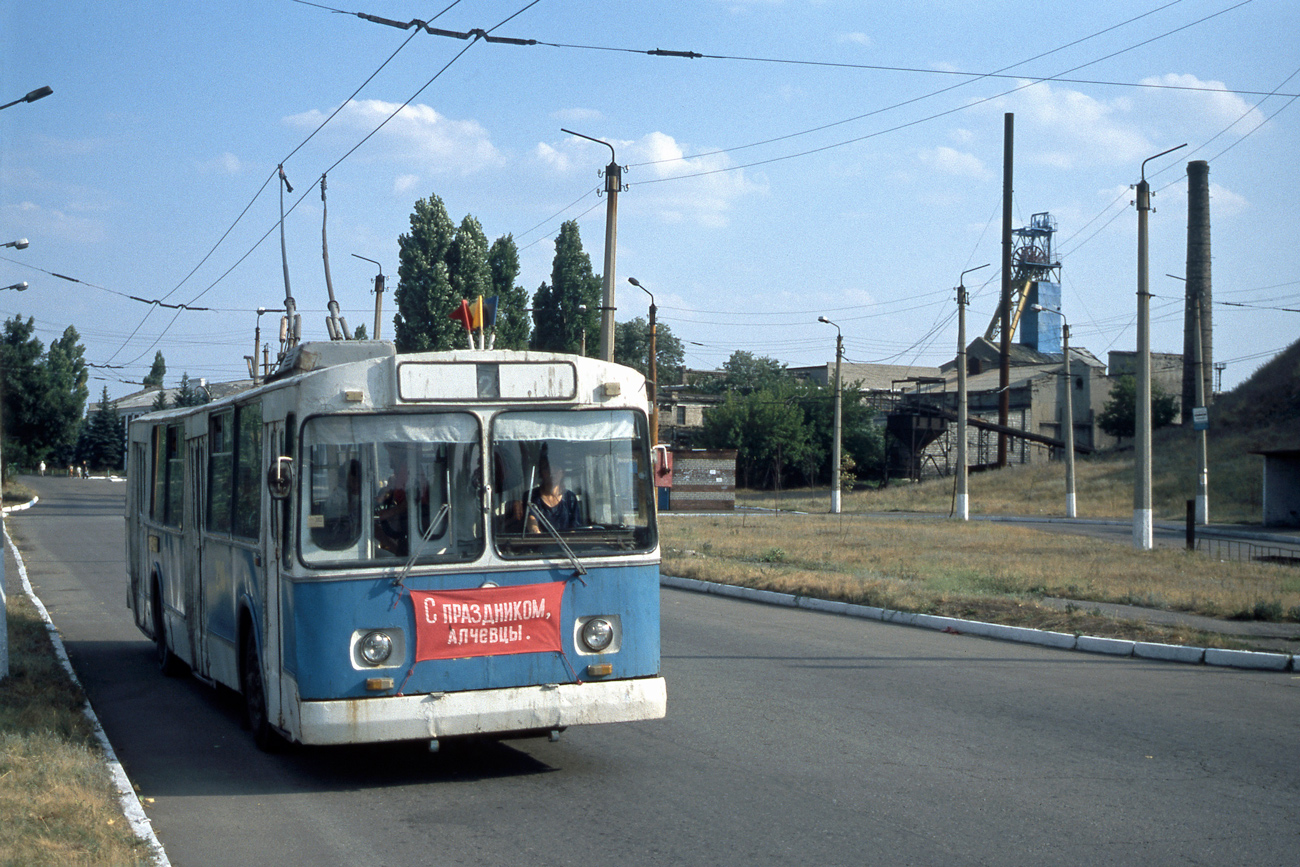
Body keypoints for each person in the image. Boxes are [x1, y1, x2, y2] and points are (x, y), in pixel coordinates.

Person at [525, 452, 580, 533]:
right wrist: (537, 533)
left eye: (556, 468)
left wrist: (567, 542)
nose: (552, 472)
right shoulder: (531, 496)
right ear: (541, 473)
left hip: (566, 545)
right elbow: (532, 519)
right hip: (540, 544)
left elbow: (574, 528)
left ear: (562, 472)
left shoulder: (570, 498)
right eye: (548, 468)